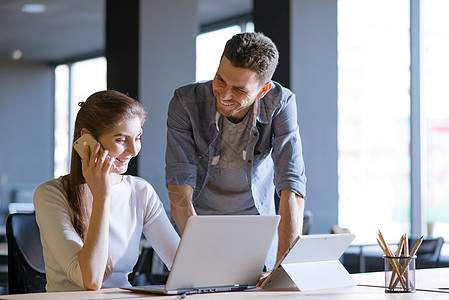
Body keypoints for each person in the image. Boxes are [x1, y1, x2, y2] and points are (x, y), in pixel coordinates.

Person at [165, 32, 307, 271]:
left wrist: (283, 269)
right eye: (220, 80)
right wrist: (196, 258)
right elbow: (179, 186)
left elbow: (291, 183)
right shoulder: (185, 102)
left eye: (239, 89)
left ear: (263, 90)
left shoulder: (280, 103)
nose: (225, 95)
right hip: (197, 226)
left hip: (257, 231)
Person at [34, 90, 180, 292]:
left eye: (137, 138)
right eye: (121, 140)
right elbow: (91, 280)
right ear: (87, 141)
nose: (134, 150)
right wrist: (102, 195)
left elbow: (183, 267)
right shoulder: (50, 194)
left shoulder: (140, 191)